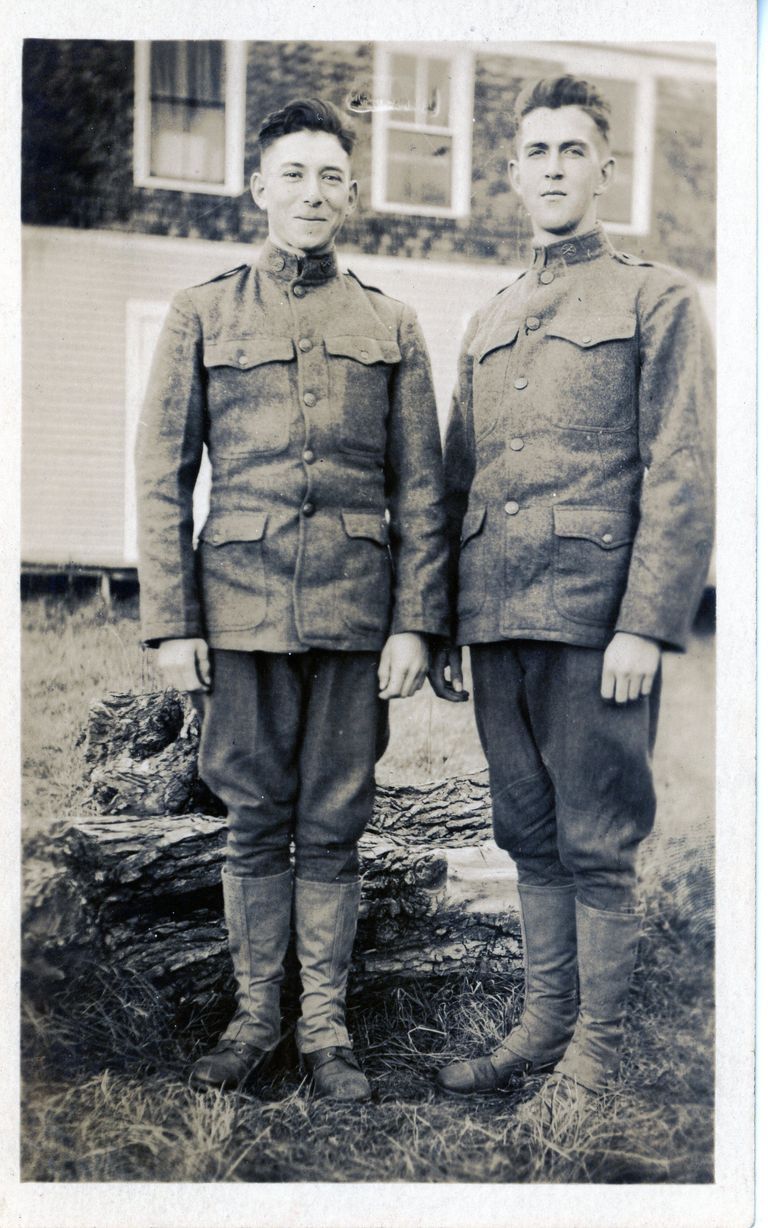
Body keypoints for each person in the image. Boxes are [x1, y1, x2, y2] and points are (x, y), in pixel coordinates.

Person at [135, 98, 449, 1102]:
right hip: (239, 609)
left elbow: (423, 489)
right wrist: (172, 620)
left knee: (334, 819)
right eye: (293, 174)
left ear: (350, 194)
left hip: (358, 617)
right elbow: (161, 473)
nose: (312, 193)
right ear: (259, 187)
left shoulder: (391, 322)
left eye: (330, 177)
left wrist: (413, 620)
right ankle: (254, 1016)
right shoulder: (202, 312)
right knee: (251, 819)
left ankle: (324, 1026)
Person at [429, 75, 714, 1124]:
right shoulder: (491, 314)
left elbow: (680, 471)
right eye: (535, 152)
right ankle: (545, 1027)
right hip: (498, 625)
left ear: (606, 168)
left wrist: (645, 620)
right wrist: (453, 621)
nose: (552, 168)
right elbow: (460, 481)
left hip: (598, 626)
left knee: (597, 839)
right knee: (527, 831)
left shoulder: (658, 299)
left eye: (572, 151)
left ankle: (594, 1055)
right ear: (512, 173)